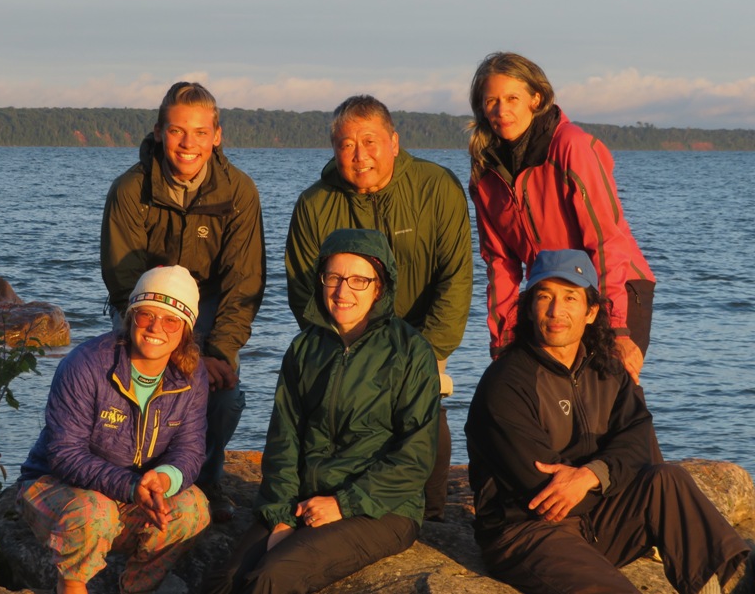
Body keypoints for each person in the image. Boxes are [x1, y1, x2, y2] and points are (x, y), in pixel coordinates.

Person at [465, 249, 752, 594]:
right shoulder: (506, 383)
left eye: (570, 298)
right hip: (527, 532)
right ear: (529, 308)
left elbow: (639, 441)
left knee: (667, 479)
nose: (557, 311)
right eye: (545, 297)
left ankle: (724, 586)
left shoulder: (607, 370)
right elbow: (545, 492)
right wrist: (611, 475)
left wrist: (592, 475)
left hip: (595, 520)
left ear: (590, 312)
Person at [202, 228, 440, 594]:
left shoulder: (409, 351)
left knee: (272, 577)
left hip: (383, 507)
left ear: (380, 286)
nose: (343, 291)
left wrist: (343, 504)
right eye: (334, 277)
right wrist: (280, 515)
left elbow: (416, 455)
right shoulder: (304, 348)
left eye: (359, 280)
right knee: (226, 579)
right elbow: (284, 439)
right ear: (321, 281)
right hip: (304, 499)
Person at [284, 94, 472, 521]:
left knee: (425, 407)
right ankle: (334, 491)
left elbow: (455, 277)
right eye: (347, 144)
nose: (359, 154)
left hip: (421, 338)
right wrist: (345, 344)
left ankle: (433, 511)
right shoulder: (314, 204)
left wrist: (428, 352)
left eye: (370, 141)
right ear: (334, 148)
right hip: (344, 337)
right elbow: (303, 289)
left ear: (394, 142)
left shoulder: (436, 186)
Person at [100, 82, 266, 514]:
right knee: (135, 387)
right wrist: (166, 340)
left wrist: (218, 352)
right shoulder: (129, 190)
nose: (188, 143)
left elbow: (244, 284)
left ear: (217, 135)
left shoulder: (240, 193)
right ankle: (127, 477)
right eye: (176, 131)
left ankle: (205, 482)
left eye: (199, 131)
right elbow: (124, 283)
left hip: (208, 307)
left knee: (224, 395)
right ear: (158, 132)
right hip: (144, 306)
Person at [18, 265, 211, 594]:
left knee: (193, 509)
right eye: (146, 314)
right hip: (57, 488)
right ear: (131, 315)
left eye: (170, 319)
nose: (155, 327)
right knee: (95, 512)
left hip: (134, 495)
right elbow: (65, 454)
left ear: (186, 329)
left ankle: (137, 587)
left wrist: (164, 478)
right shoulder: (86, 364)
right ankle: (71, 585)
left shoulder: (192, 375)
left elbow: (190, 450)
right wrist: (131, 485)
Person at [467, 52, 656, 386]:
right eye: (491, 101)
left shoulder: (572, 147)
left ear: (536, 98)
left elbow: (604, 240)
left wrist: (617, 328)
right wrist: (502, 343)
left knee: (609, 401)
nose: (501, 110)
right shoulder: (486, 175)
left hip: (612, 289)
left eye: (513, 98)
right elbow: (500, 263)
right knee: (542, 403)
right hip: (548, 295)